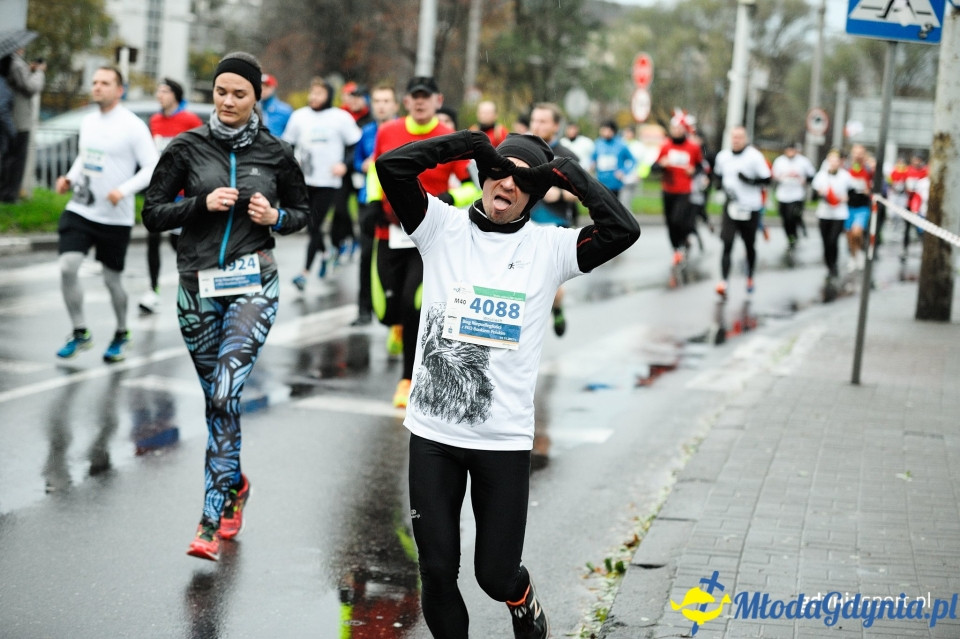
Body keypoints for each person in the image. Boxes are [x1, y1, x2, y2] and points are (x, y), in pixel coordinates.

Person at [375, 130, 640, 639]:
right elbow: (392, 167)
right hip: (434, 433)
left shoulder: (551, 247)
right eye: (500, 170)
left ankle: (521, 598)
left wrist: (569, 173)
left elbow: (622, 230)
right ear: (484, 172)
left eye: (523, 180)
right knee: (436, 569)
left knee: (494, 574)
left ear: (536, 192)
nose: (508, 183)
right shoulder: (439, 225)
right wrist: (470, 143)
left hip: (503, 439)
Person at [141, 51, 310, 561]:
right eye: (221, 91)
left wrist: (275, 216)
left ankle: (209, 521)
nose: (229, 101)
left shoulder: (276, 153)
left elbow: (304, 212)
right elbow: (152, 214)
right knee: (219, 401)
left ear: (257, 96)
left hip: (253, 282)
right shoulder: (186, 147)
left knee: (226, 388)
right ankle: (235, 484)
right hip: (196, 286)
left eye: (240, 93)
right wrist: (199, 204)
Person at [367, 76, 478, 408]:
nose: (419, 102)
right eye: (414, 97)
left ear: (437, 100)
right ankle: (396, 325)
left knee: (415, 304)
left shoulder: (448, 138)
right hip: (390, 231)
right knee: (386, 310)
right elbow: (376, 172)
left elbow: (473, 186)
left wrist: (448, 196)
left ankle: (406, 378)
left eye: (425, 97)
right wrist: (373, 204)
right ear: (406, 101)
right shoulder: (388, 132)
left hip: (429, 237)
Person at [53, 66, 158, 362]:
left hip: (115, 217)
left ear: (119, 90)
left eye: (105, 83)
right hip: (81, 208)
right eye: (95, 82)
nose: (97, 87)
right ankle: (79, 331)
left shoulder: (133, 125)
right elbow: (85, 158)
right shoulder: (88, 121)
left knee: (113, 281)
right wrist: (70, 178)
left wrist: (123, 191)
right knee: (67, 267)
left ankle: (122, 331)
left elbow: (152, 166)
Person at [282, 77, 362, 291]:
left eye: (319, 94)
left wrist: (344, 165)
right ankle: (326, 253)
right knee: (311, 225)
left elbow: (354, 145)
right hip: (304, 179)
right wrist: (292, 161)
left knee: (314, 225)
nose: (313, 97)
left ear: (328, 96)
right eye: (312, 93)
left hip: (328, 181)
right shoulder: (299, 117)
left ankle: (304, 273)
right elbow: (287, 144)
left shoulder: (340, 117)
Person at [139, 77, 204, 314]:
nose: (160, 95)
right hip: (159, 191)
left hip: (182, 193)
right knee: (152, 239)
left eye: (165, 91)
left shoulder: (189, 119)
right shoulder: (155, 120)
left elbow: (201, 150)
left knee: (180, 244)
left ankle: (195, 284)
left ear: (176, 95)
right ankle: (152, 290)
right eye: (158, 91)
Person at [528, 102, 580, 337]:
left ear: (556, 126)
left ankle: (556, 308)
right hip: (526, 223)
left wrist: (557, 193)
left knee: (547, 283)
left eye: (542, 121)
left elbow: (582, 194)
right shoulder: (525, 149)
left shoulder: (568, 157)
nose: (536, 126)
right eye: (534, 121)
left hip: (555, 225)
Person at [351, 84, 400, 326]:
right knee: (366, 255)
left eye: (386, 101)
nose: (381, 105)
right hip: (368, 203)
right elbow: (357, 161)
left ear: (395, 105)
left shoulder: (401, 130)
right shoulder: (367, 131)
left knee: (395, 260)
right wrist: (365, 165)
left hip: (396, 206)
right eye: (377, 101)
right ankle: (363, 310)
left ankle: (396, 315)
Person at [712, 126, 771, 297]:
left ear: (745, 138)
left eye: (740, 137)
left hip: (750, 207)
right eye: (734, 137)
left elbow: (767, 179)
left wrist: (749, 180)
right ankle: (723, 281)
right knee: (727, 243)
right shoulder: (723, 157)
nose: (736, 140)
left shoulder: (754, 156)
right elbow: (718, 176)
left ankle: (750, 276)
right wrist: (718, 184)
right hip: (730, 207)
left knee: (749, 245)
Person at [653, 111, 703, 267]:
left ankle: (682, 243)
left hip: (684, 190)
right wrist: (661, 164)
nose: (677, 131)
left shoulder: (693, 147)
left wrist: (694, 170)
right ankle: (676, 249)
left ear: (685, 130)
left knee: (678, 219)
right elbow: (654, 168)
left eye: (680, 128)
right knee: (670, 222)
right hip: (668, 189)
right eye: (674, 128)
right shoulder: (666, 145)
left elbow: (701, 166)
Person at [0, 34, 45, 203]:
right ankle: (10, 196)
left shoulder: (8, 62)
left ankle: (7, 194)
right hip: (19, 120)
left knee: (9, 158)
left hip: (12, 119)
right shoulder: (16, 63)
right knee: (17, 160)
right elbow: (31, 87)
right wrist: (39, 72)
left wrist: (30, 70)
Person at [811, 149, 853, 285]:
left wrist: (846, 198)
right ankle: (828, 265)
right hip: (824, 213)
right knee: (825, 241)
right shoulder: (821, 176)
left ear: (840, 162)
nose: (833, 163)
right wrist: (821, 193)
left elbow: (853, 193)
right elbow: (814, 194)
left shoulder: (846, 176)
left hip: (839, 213)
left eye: (836, 160)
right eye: (831, 160)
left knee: (833, 240)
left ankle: (834, 265)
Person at [770, 141, 815, 256]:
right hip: (783, 195)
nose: (790, 152)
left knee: (792, 217)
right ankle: (790, 237)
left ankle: (795, 235)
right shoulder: (780, 161)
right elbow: (773, 176)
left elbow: (811, 176)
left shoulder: (803, 161)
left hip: (797, 195)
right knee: (785, 219)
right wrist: (783, 176)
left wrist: (802, 179)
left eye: (792, 150)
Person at [845, 143, 873, 272]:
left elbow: (878, 184)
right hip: (847, 206)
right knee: (850, 235)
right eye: (855, 152)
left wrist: (870, 190)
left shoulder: (869, 168)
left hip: (862, 206)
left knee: (857, 232)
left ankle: (860, 252)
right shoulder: (846, 167)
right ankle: (853, 255)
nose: (858, 155)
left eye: (860, 153)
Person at [591, 120, 635, 199]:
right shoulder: (598, 143)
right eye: (602, 130)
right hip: (600, 182)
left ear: (612, 131)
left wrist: (624, 171)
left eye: (606, 130)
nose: (604, 132)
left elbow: (633, 160)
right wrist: (592, 164)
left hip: (615, 184)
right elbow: (593, 158)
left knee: (613, 209)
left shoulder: (621, 145)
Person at [259, 73, 292, 137]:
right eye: (261, 86)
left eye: (266, 86)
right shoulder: (253, 108)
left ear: (273, 88)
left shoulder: (285, 110)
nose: (263, 90)